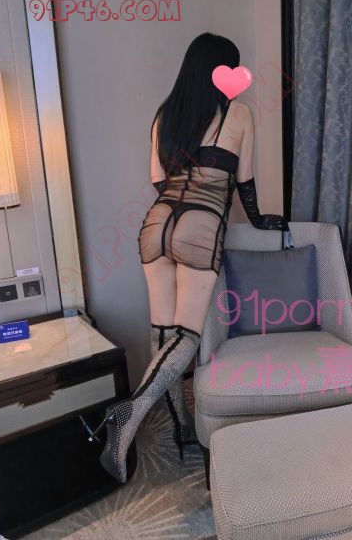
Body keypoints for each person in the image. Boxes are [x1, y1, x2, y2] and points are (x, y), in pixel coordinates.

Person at [92, 33, 288, 483]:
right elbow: (244, 182)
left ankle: (181, 427)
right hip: (199, 228)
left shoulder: (166, 114)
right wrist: (260, 220)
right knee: (186, 336)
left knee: (162, 332)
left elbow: (158, 180)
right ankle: (130, 412)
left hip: (156, 223)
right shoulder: (238, 114)